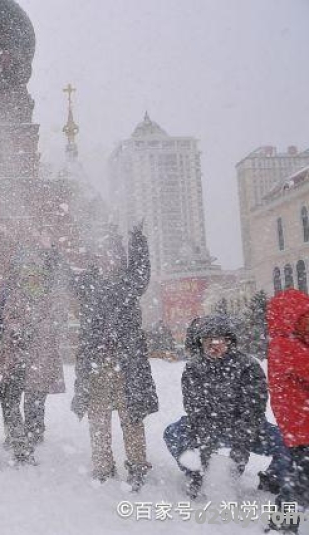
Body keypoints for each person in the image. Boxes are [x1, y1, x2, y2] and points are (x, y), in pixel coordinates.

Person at [163, 315, 293, 500]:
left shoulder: (248, 366)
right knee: (173, 433)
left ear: (229, 341)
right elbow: (195, 411)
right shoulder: (193, 368)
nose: (212, 345)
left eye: (218, 340)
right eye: (207, 340)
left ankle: (272, 479)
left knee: (288, 442)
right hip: (208, 426)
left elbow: (253, 412)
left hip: (246, 428)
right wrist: (206, 457)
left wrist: (239, 451)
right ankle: (195, 474)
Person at [70, 224, 158, 491]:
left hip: (126, 363)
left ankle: (137, 465)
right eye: (103, 253)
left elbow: (141, 271)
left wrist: (137, 240)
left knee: (131, 417)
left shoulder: (128, 283)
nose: (108, 258)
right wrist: (51, 251)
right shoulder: (88, 283)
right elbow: (64, 276)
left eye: (113, 253)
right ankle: (103, 467)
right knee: (98, 420)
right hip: (96, 365)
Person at [0, 247, 67, 465]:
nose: (31, 277)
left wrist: (37, 328)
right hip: (16, 355)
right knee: (10, 398)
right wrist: (17, 329)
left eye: (35, 274)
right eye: (28, 274)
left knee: (35, 398)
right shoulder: (15, 295)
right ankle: (17, 436)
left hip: (41, 357)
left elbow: (57, 320)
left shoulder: (50, 297)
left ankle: (34, 433)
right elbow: (7, 317)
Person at [265, 289, 309, 533]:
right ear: (292, 319)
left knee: (300, 476)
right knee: (301, 480)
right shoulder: (286, 346)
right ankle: (281, 523)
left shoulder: (292, 344)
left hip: (301, 425)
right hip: (302, 427)